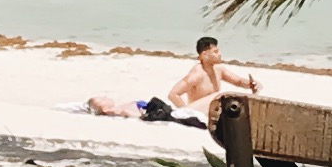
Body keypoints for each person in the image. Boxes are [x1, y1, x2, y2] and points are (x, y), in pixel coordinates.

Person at [85, 34, 256, 125]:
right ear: (204, 54)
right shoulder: (197, 73)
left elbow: (239, 82)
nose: (220, 54)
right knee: (222, 95)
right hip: (196, 109)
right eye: (216, 52)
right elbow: (173, 94)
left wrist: (251, 84)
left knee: (227, 96)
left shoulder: (219, 69)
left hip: (209, 109)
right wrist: (187, 111)